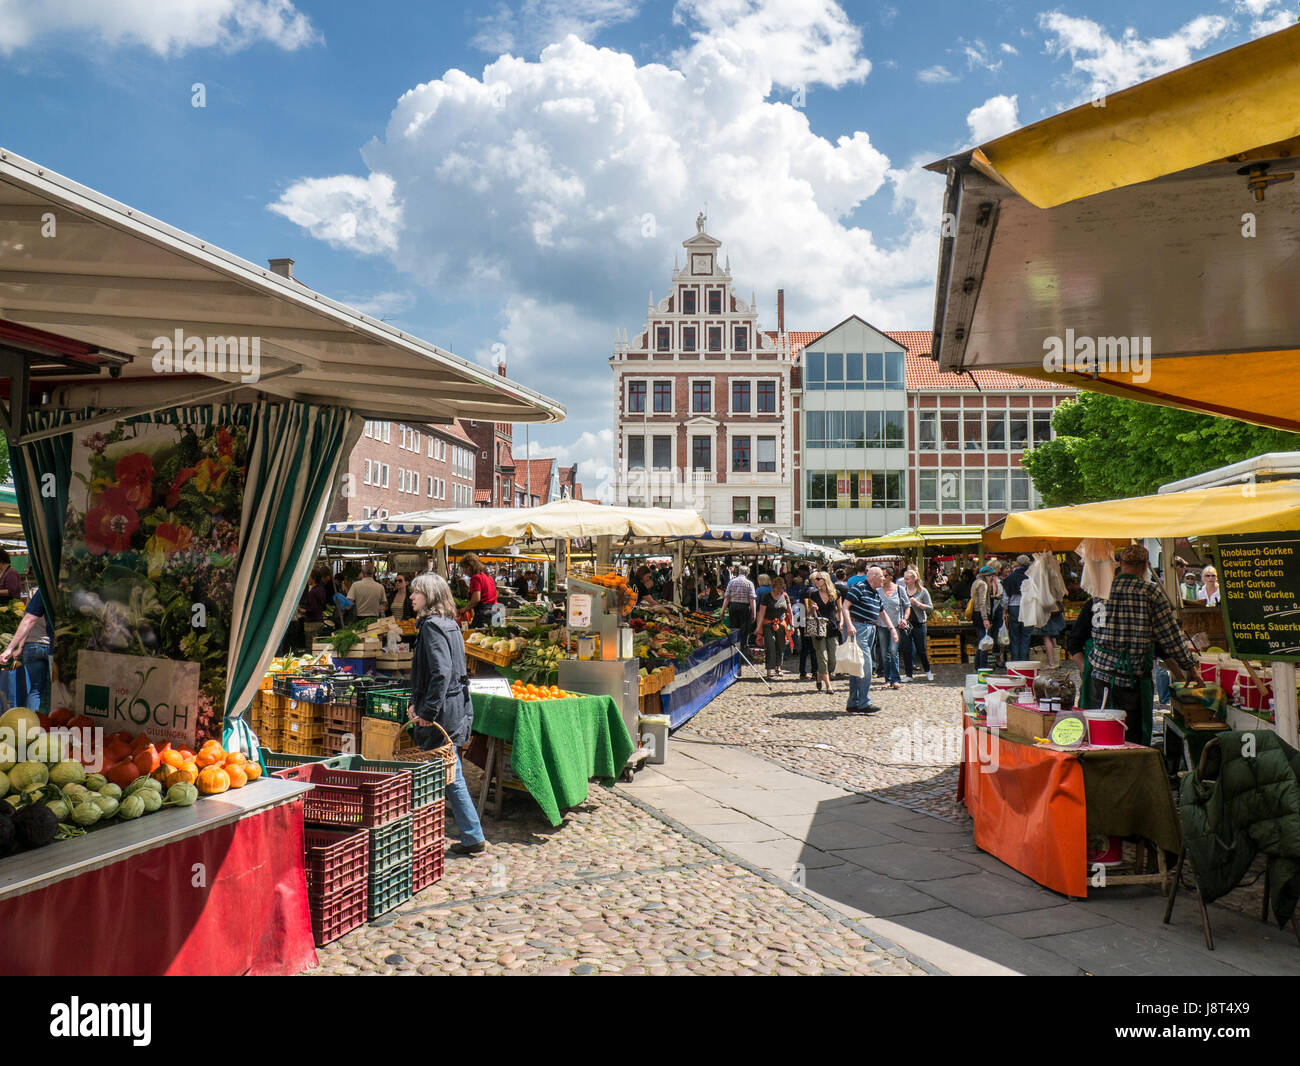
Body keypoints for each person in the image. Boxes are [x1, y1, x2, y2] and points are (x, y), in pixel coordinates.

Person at [406, 572, 486, 857]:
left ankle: (468, 835)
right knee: (449, 770)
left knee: (444, 772)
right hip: (455, 706)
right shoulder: (450, 624)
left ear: (430, 596)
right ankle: (467, 834)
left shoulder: (431, 627)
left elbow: (442, 672)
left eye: (416, 592)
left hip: (443, 711)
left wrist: (427, 710)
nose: (411, 597)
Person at [1086, 544, 1197, 746]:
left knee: (1103, 735)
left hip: (1099, 676)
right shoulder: (1151, 593)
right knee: (1131, 738)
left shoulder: (1101, 590)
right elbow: (1170, 636)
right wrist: (1189, 668)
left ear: (1120, 564)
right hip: (1130, 680)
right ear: (1145, 565)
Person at [839, 566, 898, 715]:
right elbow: (845, 607)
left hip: (870, 629)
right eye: (881, 576)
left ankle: (853, 702)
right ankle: (864, 702)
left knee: (856, 667)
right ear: (873, 577)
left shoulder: (875, 592)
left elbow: (882, 612)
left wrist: (892, 629)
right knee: (866, 666)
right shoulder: (859, 588)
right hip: (859, 628)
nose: (884, 579)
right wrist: (849, 625)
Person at [0, 588, 51, 711]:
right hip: (52, 644)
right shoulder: (56, 589)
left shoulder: (34, 592)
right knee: (55, 689)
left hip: (32, 645)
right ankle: (50, 721)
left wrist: (18, 647)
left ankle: (31, 724)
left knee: (35, 690)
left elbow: (28, 620)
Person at [805, 571, 851, 695]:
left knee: (833, 658)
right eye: (815, 579)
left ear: (825, 580)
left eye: (818, 579)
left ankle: (820, 675)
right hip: (819, 629)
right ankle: (828, 685)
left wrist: (841, 622)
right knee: (822, 657)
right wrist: (813, 610)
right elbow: (809, 614)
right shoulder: (813, 594)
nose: (816, 581)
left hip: (832, 628)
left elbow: (840, 609)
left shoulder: (836, 593)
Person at [1030, 557, 1068, 669]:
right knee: (1053, 636)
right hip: (1055, 610)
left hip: (1047, 612)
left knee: (1046, 637)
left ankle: (1051, 663)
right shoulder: (1055, 578)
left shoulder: (1042, 583)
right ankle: (1056, 661)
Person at [755, 576, 793, 679]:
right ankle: (769, 671)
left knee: (780, 646)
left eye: (782, 588)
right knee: (770, 646)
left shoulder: (785, 596)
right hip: (768, 625)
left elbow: (789, 612)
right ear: (774, 587)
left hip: (781, 625)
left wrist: (791, 625)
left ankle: (778, 667)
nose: (780, 590)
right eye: (778, 588)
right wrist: (758, 627)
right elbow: (761, 612)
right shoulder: (767, 597)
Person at [900, 568, 934, 682]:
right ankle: (909, 674)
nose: (905, 581)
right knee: (906, 649)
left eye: (907, 579)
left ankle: (928, 671)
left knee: (921, 649)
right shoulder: (902, 591)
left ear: (914, 579)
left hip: (919, 623)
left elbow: (930, 608)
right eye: (904, 578)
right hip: (907, 624)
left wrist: (918, 604)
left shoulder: (922, 591)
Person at [877, 568, 907, 688]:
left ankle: (896, 679)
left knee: (894, 651)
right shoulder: (878, 591)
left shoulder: (899, 589)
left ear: (890, 576)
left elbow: (907, 606)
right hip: (882, 626)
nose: (882, 578)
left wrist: (904, 618)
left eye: (884, 576)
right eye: (881, 576)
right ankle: (887, 679)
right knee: (884, 653)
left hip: (896, 625)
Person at [1001, 555, 1032, 662]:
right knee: (1026, 636)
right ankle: (1024, 660)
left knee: (1015, 636)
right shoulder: (1031, 576)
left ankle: (1015, 661)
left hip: (1014, 607)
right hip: (1028, 607)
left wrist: (1004, 610)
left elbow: (1005, 598)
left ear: (1017, 564)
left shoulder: (1010, 578)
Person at [722, 564, 756, 649]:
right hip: (744, 607)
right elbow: (752, 599)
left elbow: (727, 597)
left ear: (738, 572)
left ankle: (734, 647)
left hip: (733, 607)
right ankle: (742, 647)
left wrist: (722, 610)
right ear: (747, 574)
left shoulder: (731, 582)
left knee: (734, 628)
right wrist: (754, 613)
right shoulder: (749, 583)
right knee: (744, 629)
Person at [462, 552, 498, 626]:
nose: (464, 571)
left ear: (471, 567)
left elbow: (476, 599)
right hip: (495, 611)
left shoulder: (475, 578)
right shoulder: (488, 577)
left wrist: (464, 609)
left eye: (466, 568)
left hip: (483, 613)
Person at [299, 565, 330, 648]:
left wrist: (302, 610)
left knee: (311, 647)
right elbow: (322, 606)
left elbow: (312, 609)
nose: (308, 579)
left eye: (309, 577)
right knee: (318, 646)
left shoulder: (312, 592)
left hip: (311, 623)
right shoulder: (321, 589)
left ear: (314, 578)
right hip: (320, 621)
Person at [970, 564, 994, 669]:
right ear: (987, 575)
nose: (993, 578)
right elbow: (982, 602)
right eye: (991, 575)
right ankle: (982, 666)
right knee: (984, 642)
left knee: (981, 641)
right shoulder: (983, 584)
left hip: (976, 614)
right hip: (981, 614)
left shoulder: (975, 582)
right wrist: (985, 618)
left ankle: (977, 665)